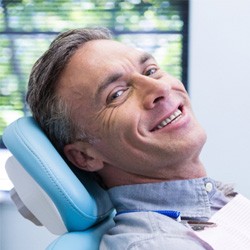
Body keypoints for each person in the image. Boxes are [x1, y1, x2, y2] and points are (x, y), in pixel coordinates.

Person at [26, 28, 236, 249]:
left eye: (151, 70)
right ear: (85, 156)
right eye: (117, 94)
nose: (160, 87)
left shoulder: (209, 204)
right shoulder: (157, 244)